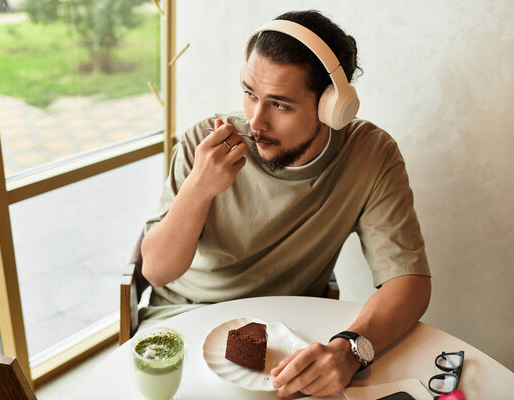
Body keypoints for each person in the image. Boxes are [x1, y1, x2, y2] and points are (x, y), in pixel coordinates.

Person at [140, 9, 431, 399]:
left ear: (332, 106)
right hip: (186, 318)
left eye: (279, 104)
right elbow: (157, 272)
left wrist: (350, 350)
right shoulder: (205, 143)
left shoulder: (371, 155)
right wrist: (199, 188)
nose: (256, 121)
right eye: (249, 93)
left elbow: (409, 283)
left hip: (291, 332)